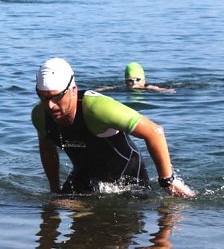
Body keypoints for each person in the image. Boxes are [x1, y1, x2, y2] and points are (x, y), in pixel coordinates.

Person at [32, 58, 195, 197]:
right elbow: (47, 150)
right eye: (43, 97)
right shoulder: (40, 115)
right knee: (59, 209)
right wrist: (55, 190)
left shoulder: (97, 108)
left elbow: (155, 132)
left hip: (127, 181)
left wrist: (167, 181)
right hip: (83, 177)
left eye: (57, 96)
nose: (50, 105)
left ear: (73, 90)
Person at [95, 61, 174, 93]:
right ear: (125, 81)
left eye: (137, 80)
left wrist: (167, 90)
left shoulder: (148, 87)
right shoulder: (123, 87)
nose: (134, 83)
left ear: (144, 80)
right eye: (130, 80)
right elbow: (109, 88)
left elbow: (159, 89)